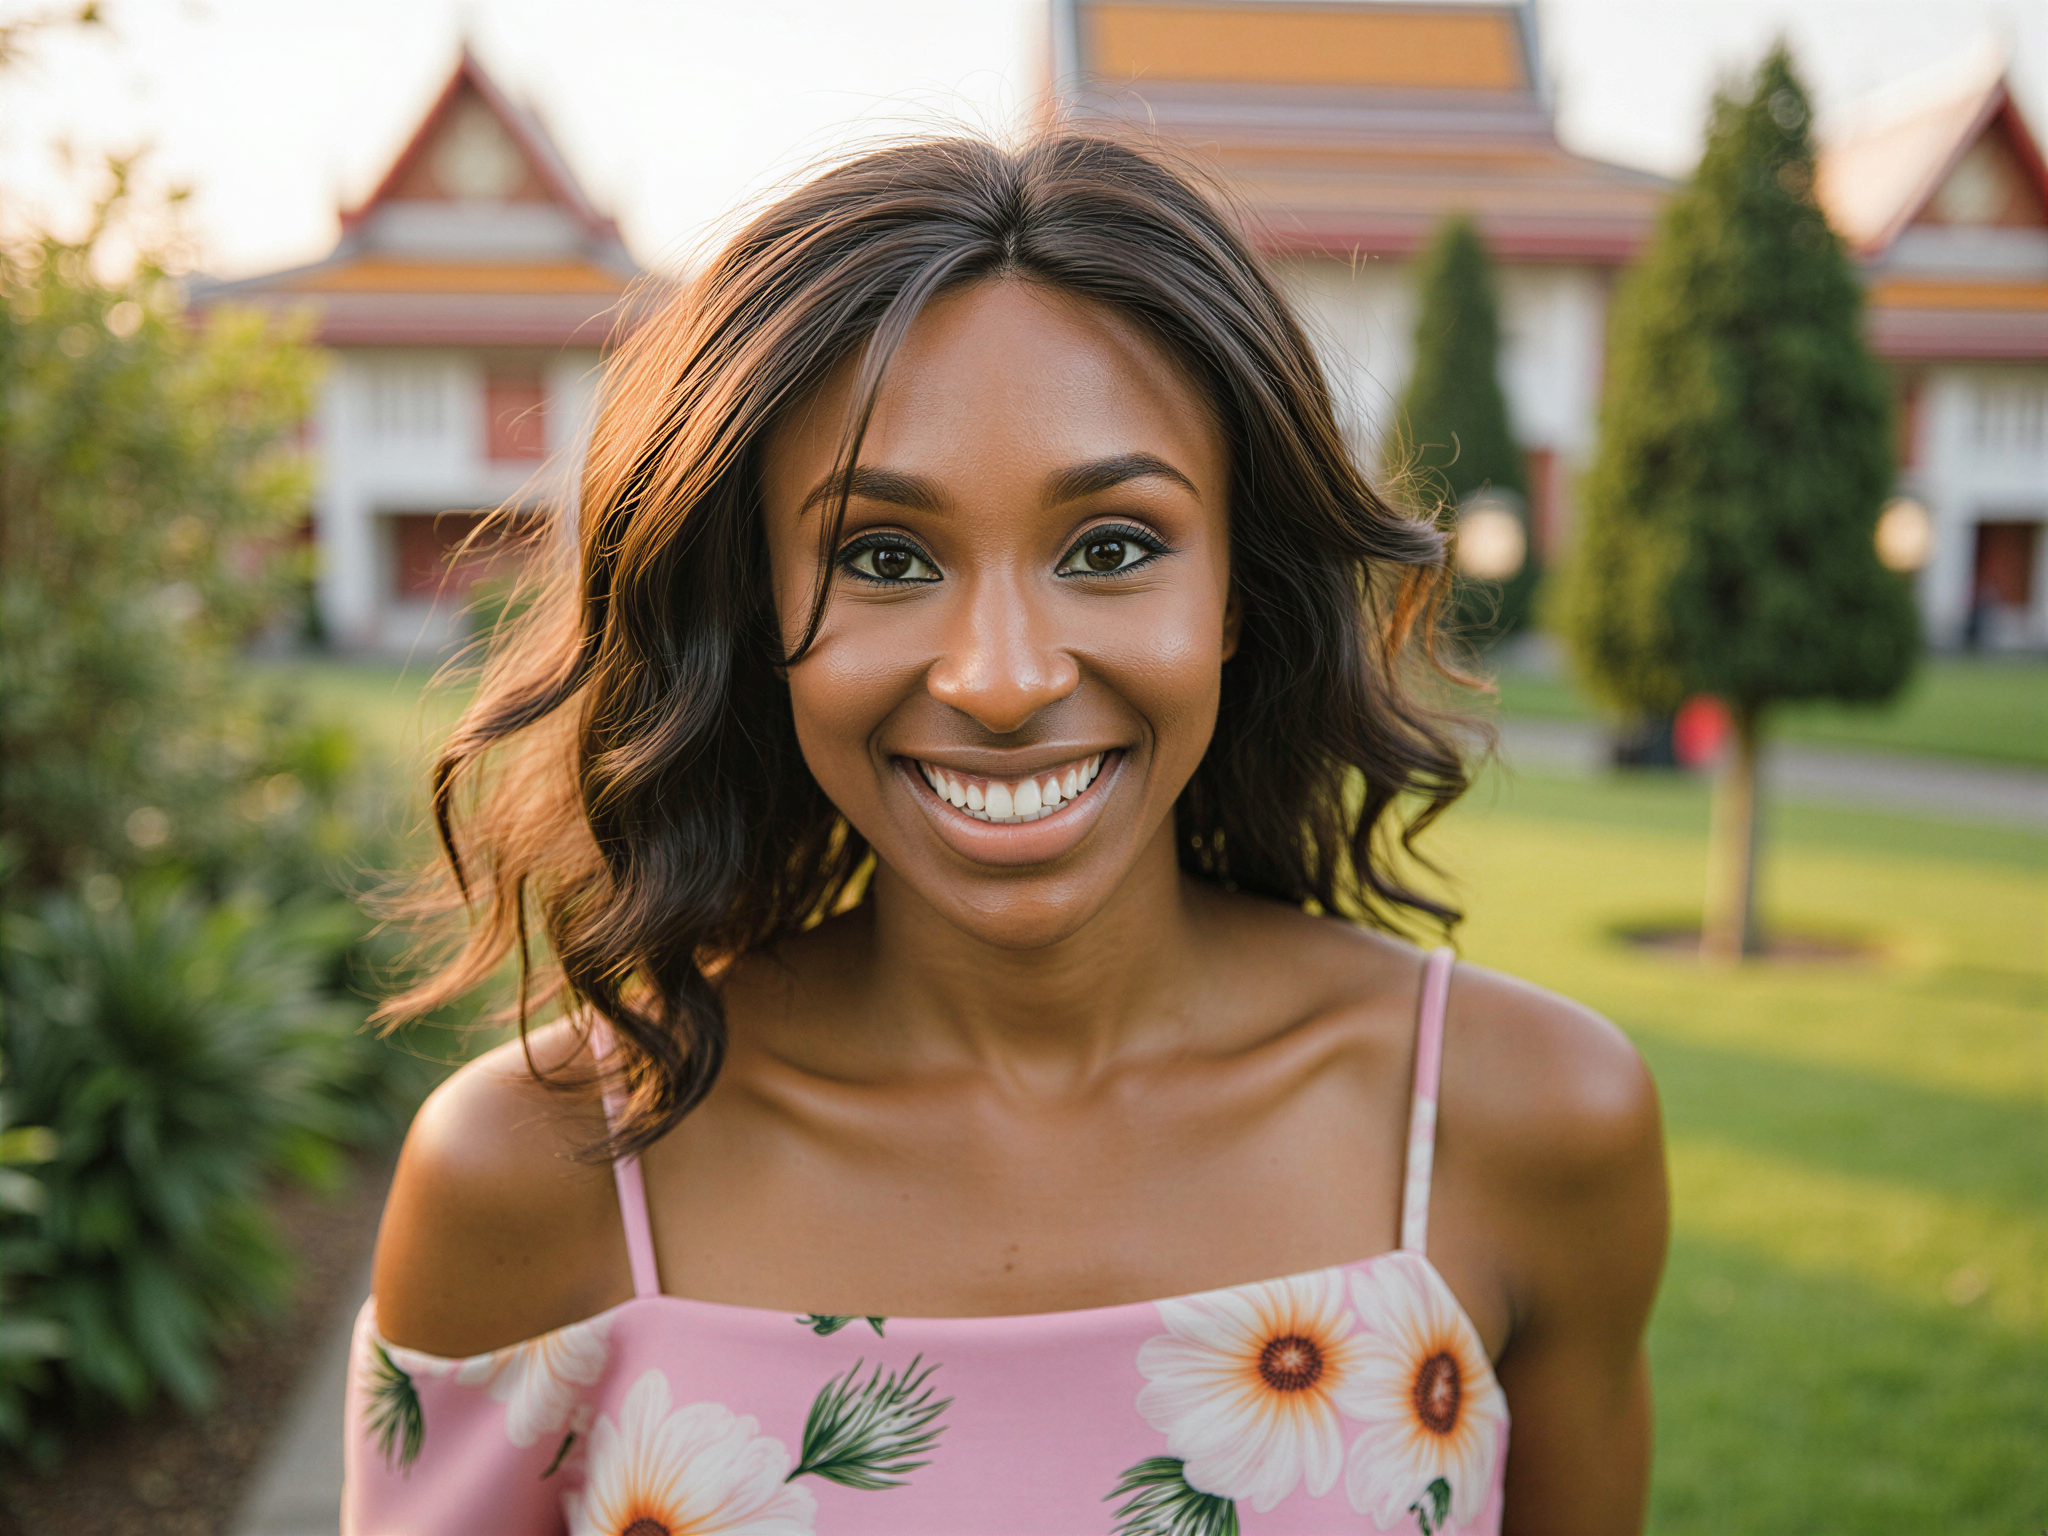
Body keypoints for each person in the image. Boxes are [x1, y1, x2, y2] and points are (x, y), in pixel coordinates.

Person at [345, 133, 1667, 1536]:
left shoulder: (1525, 1123)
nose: (1001, 677)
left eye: (1111, 547)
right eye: (882, 558)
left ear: (1234, 593)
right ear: (754, 619)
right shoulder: (535, 1179)